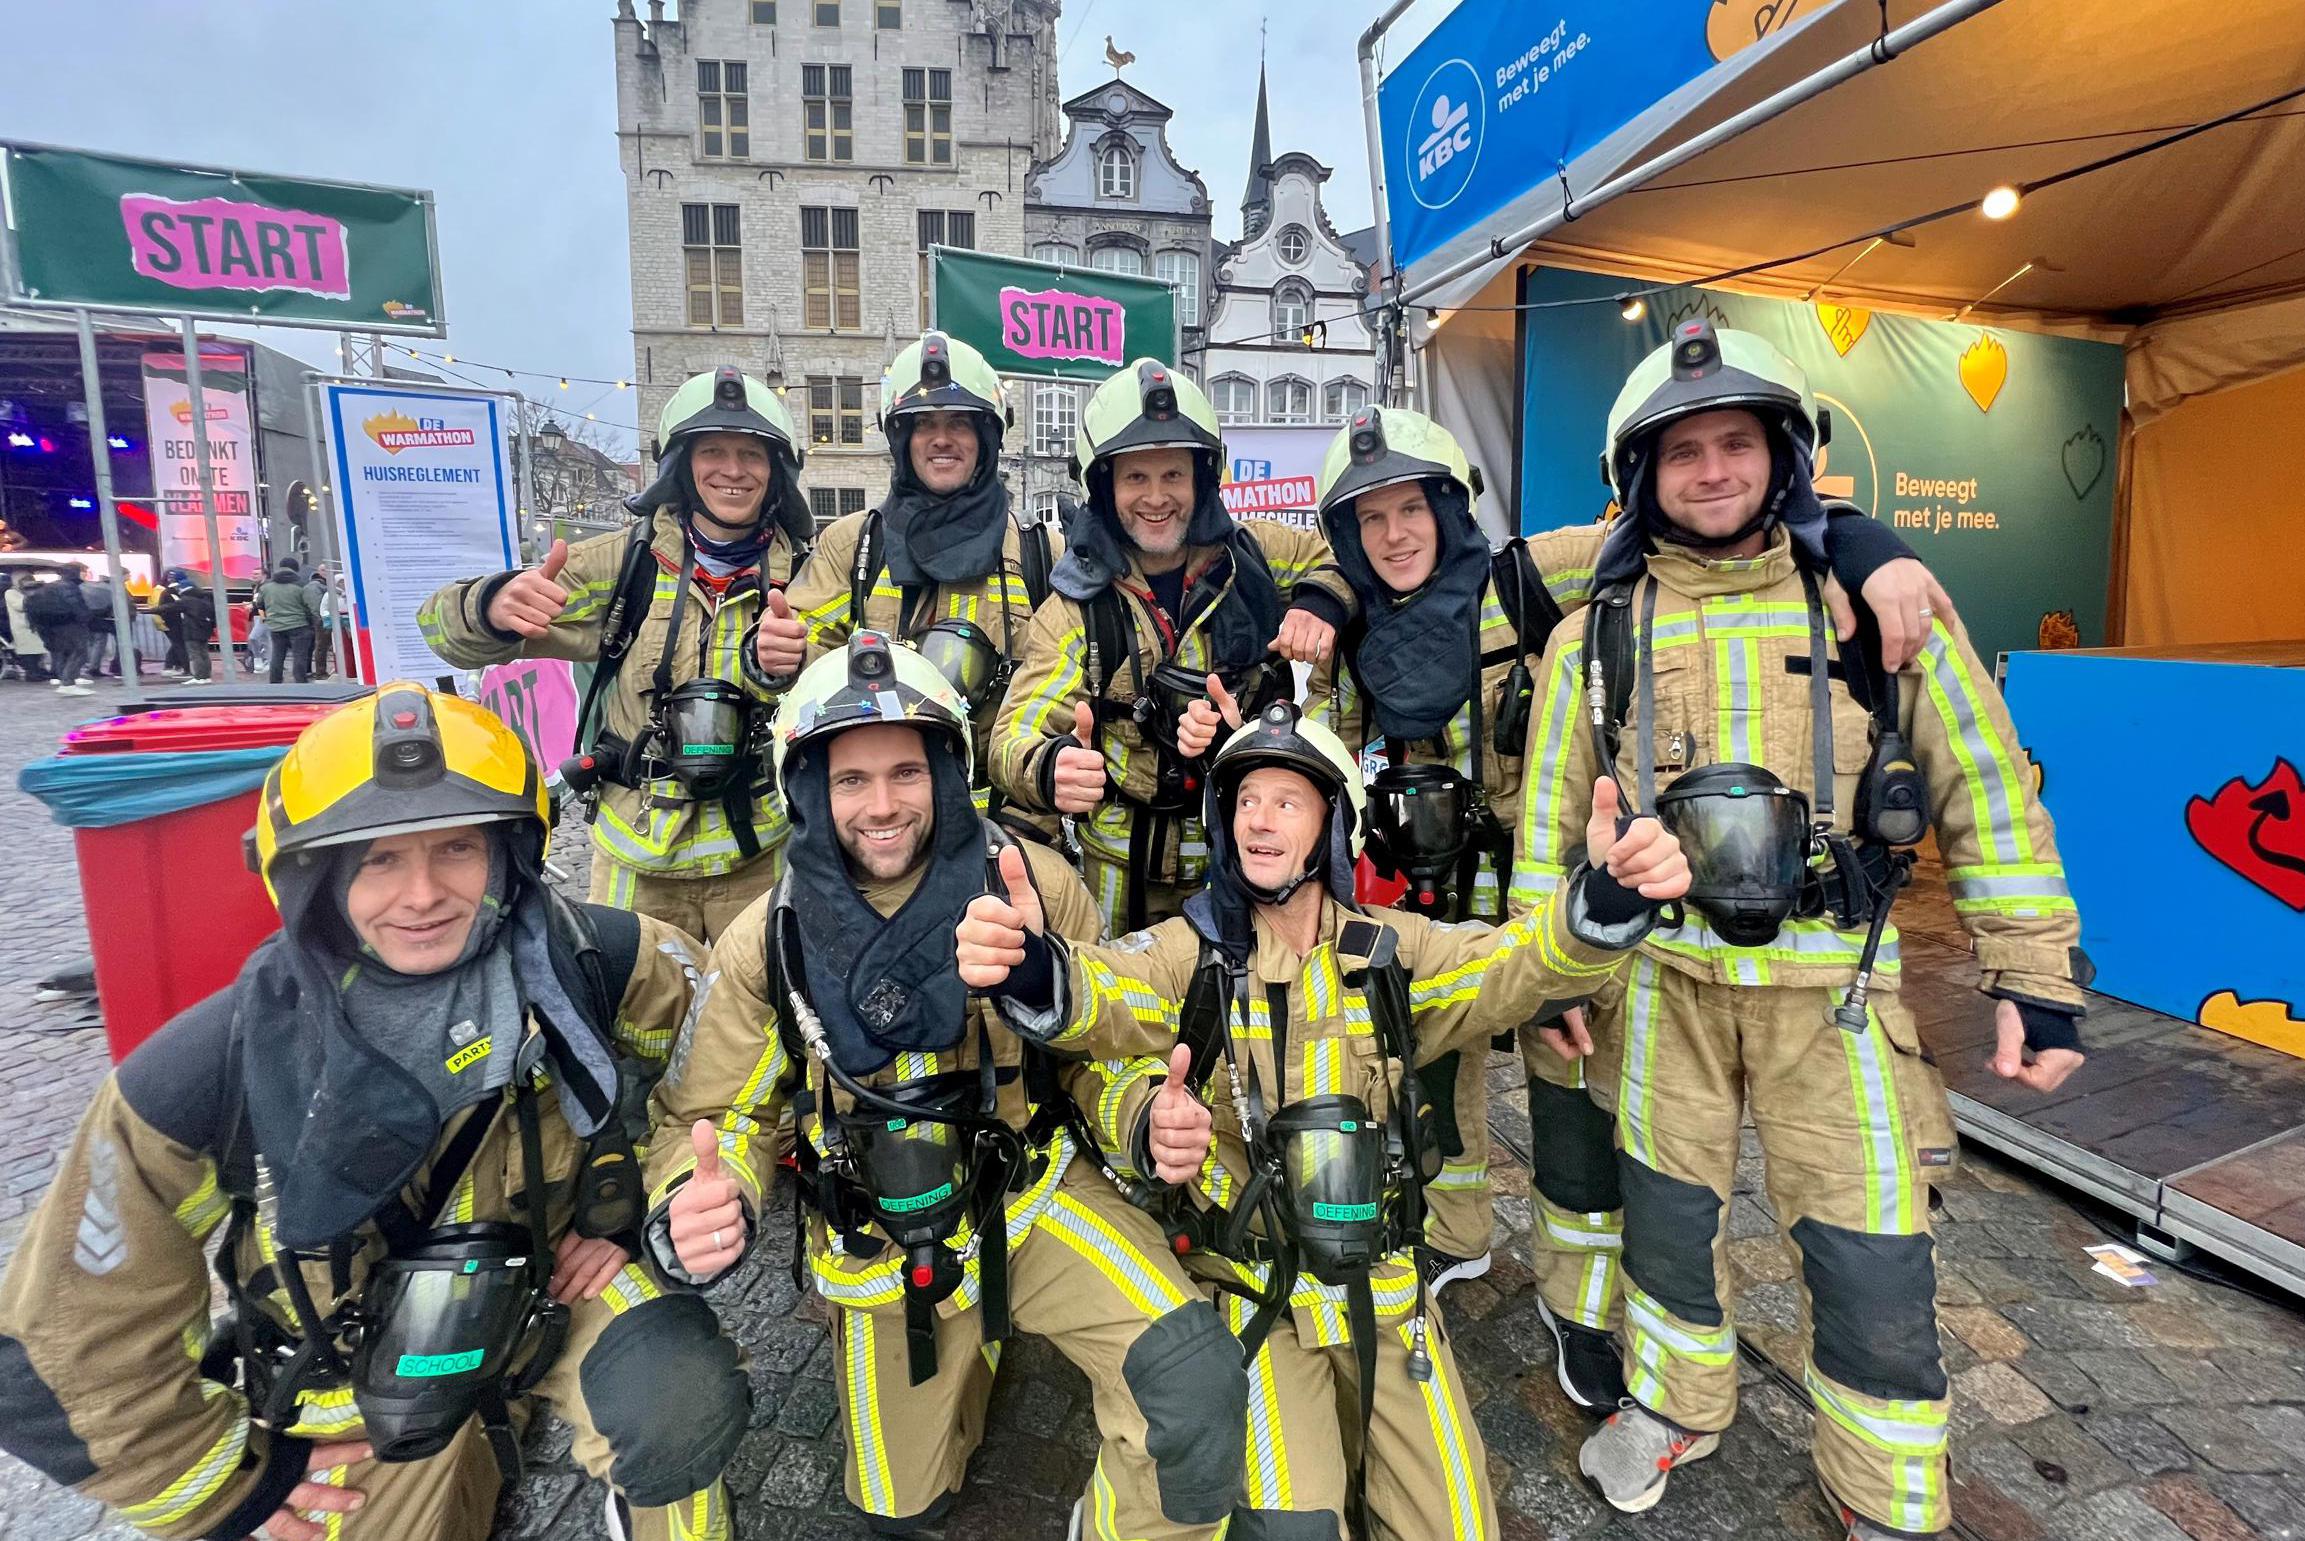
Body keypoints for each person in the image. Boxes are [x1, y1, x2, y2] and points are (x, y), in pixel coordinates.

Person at [1519, 321, 2087, 1540]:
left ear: (1783, 454)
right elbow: (1547, 822)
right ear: (1638, 478)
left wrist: (2031, 975)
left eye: (1735, 441)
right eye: (1680, 452)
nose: (1711, 470)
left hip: (1839, 989)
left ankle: (1881, 1485)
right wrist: (1544, 972)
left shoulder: (1873, 605)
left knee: (1867, 1241)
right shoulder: (1593, 634)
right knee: (1664, 1221)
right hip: (1657, 987)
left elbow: (1984, 788)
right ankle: (1673, 1403)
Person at [0, 684, 750, 1541]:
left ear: (510, 855)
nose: (422, 893)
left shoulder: (605, 961)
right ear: (315, 873)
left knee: (680, 1408)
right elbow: (63, 1336)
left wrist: (647, 1206)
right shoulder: (214, 1067)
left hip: (555, 1296)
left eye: (457, 848)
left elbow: (725, 1070)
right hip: (348, 1376)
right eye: (379, 858)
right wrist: (222, 1486)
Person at [1297, 410, 1953, 1390]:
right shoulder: (1353, 626)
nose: (1394, 536)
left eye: (1412, 509)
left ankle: (1585, 1311)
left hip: (1559, 902)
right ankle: (1457, 1228)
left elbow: (1707, 520)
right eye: (1368, 520)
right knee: (1422, 1064)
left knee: (1576, 1119)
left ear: (1449, 507)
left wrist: (1864, 545)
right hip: (1425, 895)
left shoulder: (1522, 576)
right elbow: (1324, 732)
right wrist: (1317, 594)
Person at [959, 698, 1691, 1540]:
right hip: (1255, 1292)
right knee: (1291, 1533)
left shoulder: (1388, 950)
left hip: (1383, 1288)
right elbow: (1098, 997)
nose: (1259, 821)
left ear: (1332, 823)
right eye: (1244, 801)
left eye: (1287, 800)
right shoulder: (1187, 953)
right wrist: (1027, 968)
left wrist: (1599, 900)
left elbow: (1507, 965)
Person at [649, 634, 1247, 1537]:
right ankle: (963, 1371)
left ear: (946, 769)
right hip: (880, 1236)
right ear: (807, 789)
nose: (882, 805)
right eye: (850, 780)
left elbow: (1105, 1060)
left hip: (1035, 1196)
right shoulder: (764, 940)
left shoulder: (1035, 883)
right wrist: (711, 1189)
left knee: (1193, 1382)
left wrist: (1142, 1116)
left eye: (905, 772)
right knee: (902, 1507)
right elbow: (712, 1112)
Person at [418, 368, 816, 943]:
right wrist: (491, 607)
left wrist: (796, 667)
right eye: (713, 451)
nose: (733, 470)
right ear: (681, 464)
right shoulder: (620, 567)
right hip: (636, 855)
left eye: (751, 454)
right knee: (635, 1021)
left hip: (762, 851)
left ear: (776, 470)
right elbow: (440, 629)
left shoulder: (807, 575)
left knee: (756, 1020)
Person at [991, 361, 1352, 935]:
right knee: (1120, 1008)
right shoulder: (1076, 607)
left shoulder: (1253, 554)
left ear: (1201, 481)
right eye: (1136, 477)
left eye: (1173, 476)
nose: (1156, 498)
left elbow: (1339, 557)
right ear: (1104, 486)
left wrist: (1320, 604)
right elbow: (1011, 739)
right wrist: (1052, 767)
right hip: (1115, 874)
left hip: (1238, 861)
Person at [785, 332, 1060, 832]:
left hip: (1003, 833)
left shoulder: (1040, 553)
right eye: (924, 424)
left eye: (959, 422)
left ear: (987, 438)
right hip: (882, 830)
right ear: (900, 440)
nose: (941, 438)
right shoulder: (854, 545)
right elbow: (806, 681)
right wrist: (774, 659)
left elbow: (1058, 703)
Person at [24, 566, 94, 696]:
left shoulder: (51, 586)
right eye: (84, 571)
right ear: (76, 573)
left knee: (62, 651)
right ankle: (68, 683)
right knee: (80, 651)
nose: (86, 574)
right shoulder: (69, 586)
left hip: (50, 624)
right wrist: (86, 619)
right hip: (68, 622)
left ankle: (65, 680)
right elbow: (76, 605)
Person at [146, 568, 217, 684]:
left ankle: (199, 677)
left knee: (195, 654)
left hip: (191, 630)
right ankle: (206, 676)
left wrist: (149, 611)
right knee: (204, 653)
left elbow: (168, 607)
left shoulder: (186, 600)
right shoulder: (205, 598)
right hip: (205, 629)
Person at [254, 560, 319, 683]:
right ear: (295, 569)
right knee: (300, 656)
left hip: (276, 627)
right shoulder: (301, 585)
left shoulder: (266, 587)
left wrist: (270, 616)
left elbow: (259, 604)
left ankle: (275, 681)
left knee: (277, 655)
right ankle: (300, 681)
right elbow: (309, 605)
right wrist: (311, 621)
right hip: (299, 625)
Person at [7, 572, 50, 682]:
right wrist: (30, 595)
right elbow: (19, 606)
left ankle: (38, 671)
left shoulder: (33, 593)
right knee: (28, 651)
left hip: (35, 625)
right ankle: (31, 673)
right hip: (22, 626)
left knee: (38, 650)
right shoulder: (11, 592)